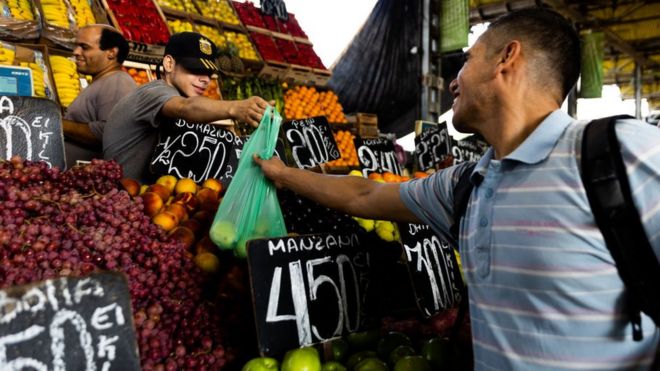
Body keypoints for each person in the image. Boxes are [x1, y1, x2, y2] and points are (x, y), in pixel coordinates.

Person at [254, 8, 660, 370]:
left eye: (466, 61)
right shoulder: (465, 186)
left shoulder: (619, 153)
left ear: (507, 58)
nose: (452, 83)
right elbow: (366, 196)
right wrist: (283, 174)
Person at [104, 32, 270, 180]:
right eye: (195, 69)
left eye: (208, 73)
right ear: (169, 64)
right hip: (120, 203)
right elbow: (185, 107)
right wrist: (234, 108)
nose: (205, 80)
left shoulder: (174, 96)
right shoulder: (155, 92)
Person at [62, 24, 137, 166]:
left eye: (84, 47)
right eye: (76, 46)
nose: (75, 52)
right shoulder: (105, 81)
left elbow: (108, 132)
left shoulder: (117, 83)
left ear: (111, 53)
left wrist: (57, 123)